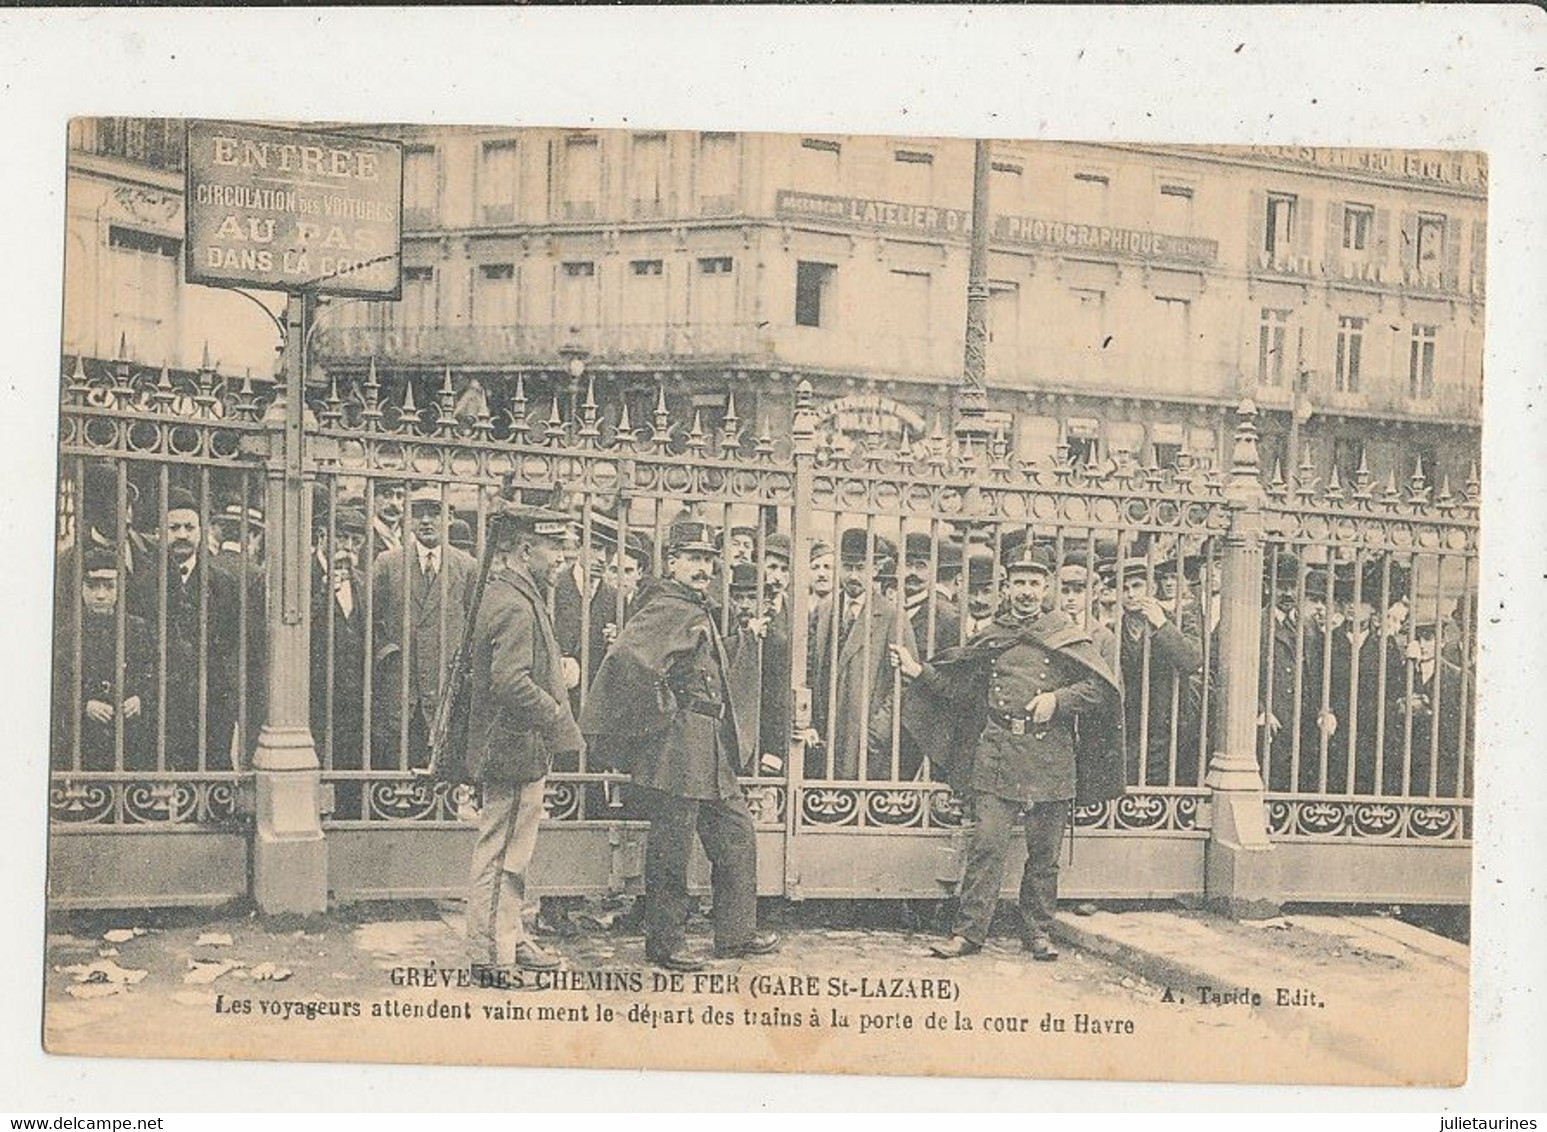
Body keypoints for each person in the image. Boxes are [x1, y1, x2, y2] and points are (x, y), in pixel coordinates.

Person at [887, 543, 1124, 961]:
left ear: (1047, 587)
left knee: (1044, 854)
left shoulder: (1066, 634)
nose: (1026, 592)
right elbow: (960, 690)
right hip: (997, 753)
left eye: (1034, 583)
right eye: (1019, 583)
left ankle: (1038, 933)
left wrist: (1058, 700)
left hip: (1050, 754)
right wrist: (919, 672)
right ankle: (968, 934)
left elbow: (1100, 689)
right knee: (986, 847)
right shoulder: (992, 636)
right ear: (1006, 587)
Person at [580, 519, 778, 972]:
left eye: (708, 559)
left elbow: (699, 660)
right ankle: (665, 943)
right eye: (693, 558)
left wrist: (740, 641)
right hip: (679, 745)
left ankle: (735, 932)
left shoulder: (693, 605)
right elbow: (628, 658)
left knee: (735, 834)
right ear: (671, 562)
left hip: (708, 747)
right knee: (672, 846)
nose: (703, 567)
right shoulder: (667, 605)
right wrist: (663, 708)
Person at [465, 501, 581, 976]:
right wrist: (554, 711)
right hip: (513, 746)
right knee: (501, 855)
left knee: (515, 851)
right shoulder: (514, 602)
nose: (561, 557)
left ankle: (510, 936)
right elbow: (510, 681)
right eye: (554, 547)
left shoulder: (516, 593)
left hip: (518, 746)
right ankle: (491, 955)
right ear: (525, 547)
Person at [133, 486, 263, 771]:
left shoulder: (224, 583)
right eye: (174, 527)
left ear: (202, 531)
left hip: (211, 702)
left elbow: (233, 645)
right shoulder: (144, 583)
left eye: (189, 527)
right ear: (160, 531)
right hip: (160, 701)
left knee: (211, 773)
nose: (182, 535)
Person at [370, 486, 477, 770]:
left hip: (445, 694)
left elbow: (475, 628)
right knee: (395, 778)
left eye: (435, 513)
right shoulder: (388, 564)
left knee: (443, 784)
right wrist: (388, 657)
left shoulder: (467, 567)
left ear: (450, 517)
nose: (427, 521)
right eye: (419, 513)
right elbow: (372, 623)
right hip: (401, 693)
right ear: (408, 518)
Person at [807, 529, 918, 779]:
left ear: (875, 569)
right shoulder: (825, 610)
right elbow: (812, 669)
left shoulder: (891, 616)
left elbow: (905, 682)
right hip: (825, 734)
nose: (854, 576)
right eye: (848, 567)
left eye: (861, 568)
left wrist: (876, 733)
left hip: (865, 740)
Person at [51, 550, 153, 771]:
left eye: (109, 586)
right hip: (83, 740)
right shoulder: (66, 633)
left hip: (130, 738)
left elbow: (153, 673)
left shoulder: (138, 629)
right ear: (81, 588)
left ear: (120, 589)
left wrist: (140, 697)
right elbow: (56, 683)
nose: (100, 595)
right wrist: (83, 705)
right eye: (92, 586)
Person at [1116, 560, 1204, 786]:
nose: (1131, 594)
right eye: (1124, 589)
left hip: (1168, 720)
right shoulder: (1115, 627)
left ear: (1152, 588)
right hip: (1130, 722)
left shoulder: (1180, 618)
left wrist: (1162, 624)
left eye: (1137, 586)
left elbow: (1193, 659)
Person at [310, 505, 369, 814]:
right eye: (341, 537)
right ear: (323, 536)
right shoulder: (302, 573)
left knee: (347, 776)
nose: (347, 547)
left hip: (352, 700)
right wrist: (322, 592)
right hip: (312, 698)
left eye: (355, 540)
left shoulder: (362, 581)